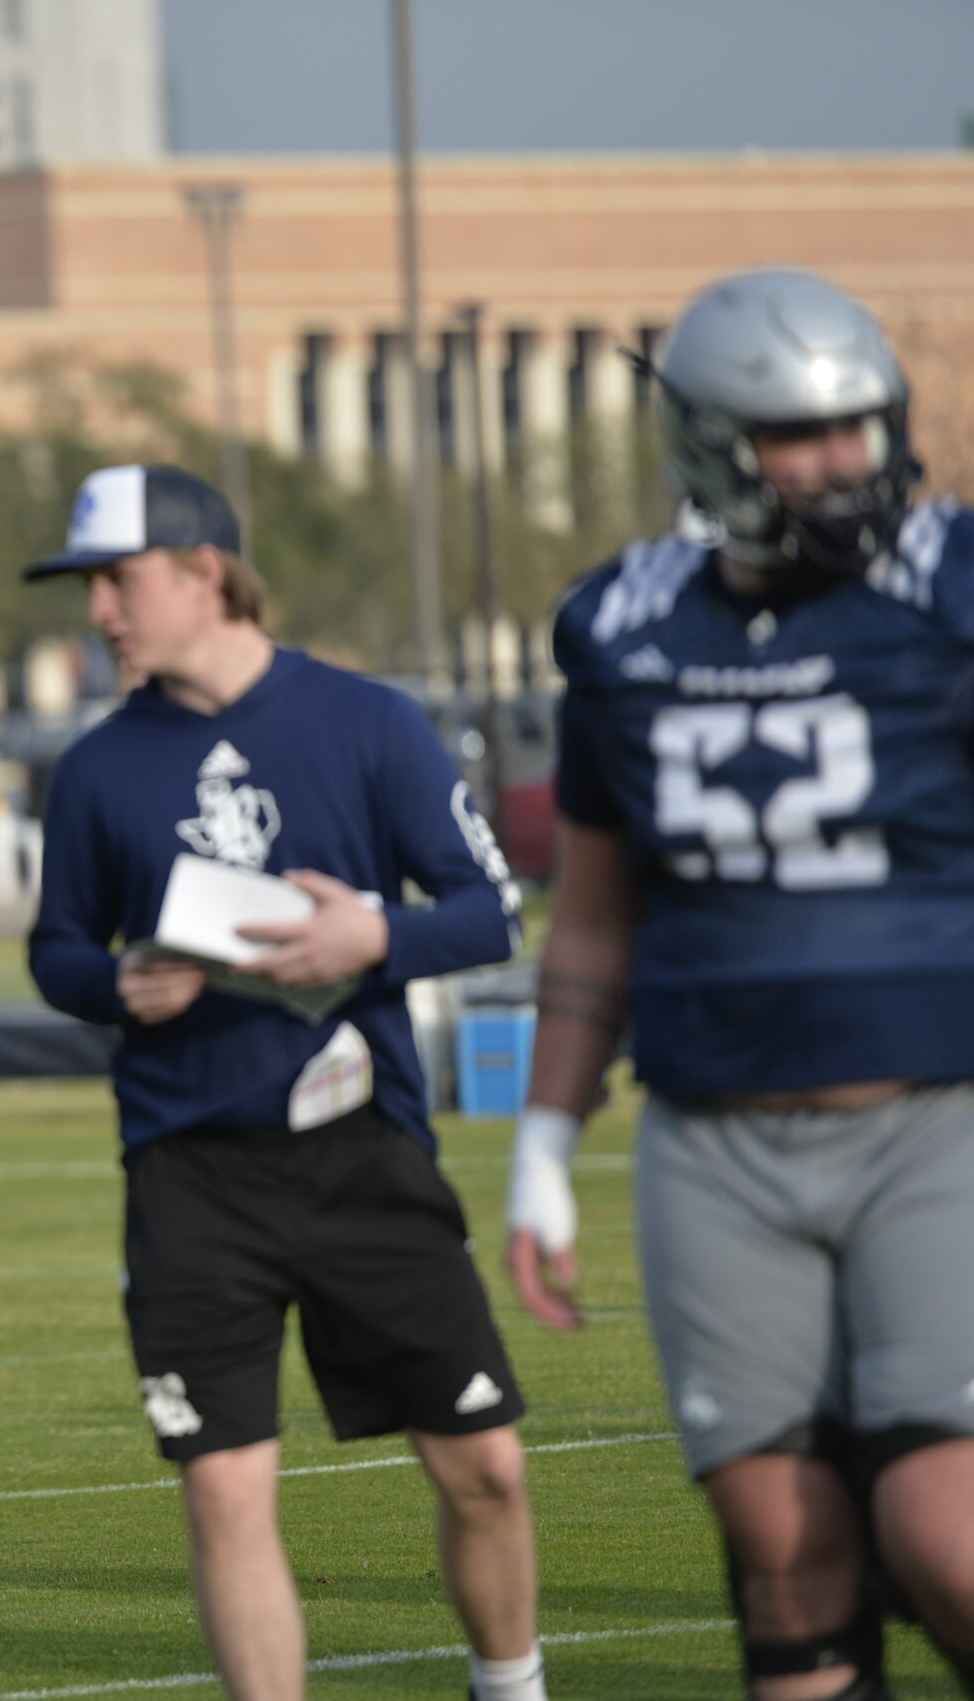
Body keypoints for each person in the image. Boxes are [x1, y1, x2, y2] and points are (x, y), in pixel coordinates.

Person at [508, 270, 974, 1701]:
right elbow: (594, 921)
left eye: (861, 428)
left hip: (933, 1117)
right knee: (784, 1555)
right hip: (712, 1136)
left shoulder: (949, 588)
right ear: (715, 443)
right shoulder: (628, 628)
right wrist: (542, 1145)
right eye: (804, 437)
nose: (849, 465)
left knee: (939, 1526)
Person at [24, 465, 545, 1701]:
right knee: (222, 1487)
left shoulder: (367, 723)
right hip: (189, 1174)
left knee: (484, 1467)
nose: (98, 610)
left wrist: (373, 938)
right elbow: (56, 952)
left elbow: (490, 911)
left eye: (117, 579)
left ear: (206, 571)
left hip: (362, 1149)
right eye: (87, 586)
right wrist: (117, 984)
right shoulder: (98, 770)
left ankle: (510, 1685)